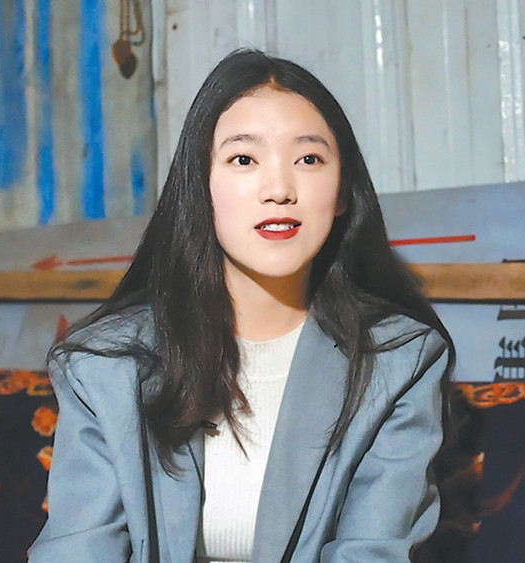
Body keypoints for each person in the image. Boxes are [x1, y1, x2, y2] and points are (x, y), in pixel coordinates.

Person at [28, 48, 454, 563]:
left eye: (309, 159)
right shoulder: (105, 366)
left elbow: (372, 552)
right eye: (244, 159)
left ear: (343, 191)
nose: (279, 190)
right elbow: (79, 549)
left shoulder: (399, 362)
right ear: (200, 187)